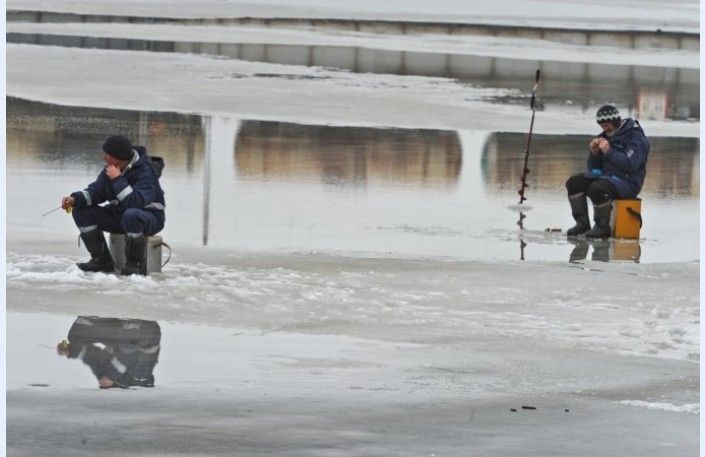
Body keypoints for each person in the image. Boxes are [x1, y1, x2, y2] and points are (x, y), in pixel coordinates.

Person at [61, 135, 165, 275]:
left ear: (119, 157)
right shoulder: (111, 169)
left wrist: (117, 179)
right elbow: (95, 192)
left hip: (149, 217)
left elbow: (135, 202)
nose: (104, 158)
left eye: (107, 155)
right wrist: (75, 199)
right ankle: (101, 260)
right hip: (121, 216)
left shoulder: (146, 172)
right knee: (81, 210)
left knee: (131, 214)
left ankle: (136, 264)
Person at [565, 105, 649, 238]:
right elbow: (595, 170)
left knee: (597, 188)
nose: (604, 128)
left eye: (607, 125)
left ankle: (602, 227)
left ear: (615, 121)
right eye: (602, 126)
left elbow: (631, 165)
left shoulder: (635, 137)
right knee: (574, 182)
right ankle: (582, 224)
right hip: (607, 178)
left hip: (628, 182)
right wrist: (594, 153)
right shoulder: (604, 136)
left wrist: (609, 151)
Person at [57, 316, 161, 388]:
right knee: (127, 346)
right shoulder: (138, 381)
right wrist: (111, 376)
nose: (101, 385)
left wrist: (71, 350)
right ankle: (132, 321)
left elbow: (94, 357)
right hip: (147, 334)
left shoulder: (105, 376)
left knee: (75, 337)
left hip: (121, 332)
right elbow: (128, 357)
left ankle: (95, 315)